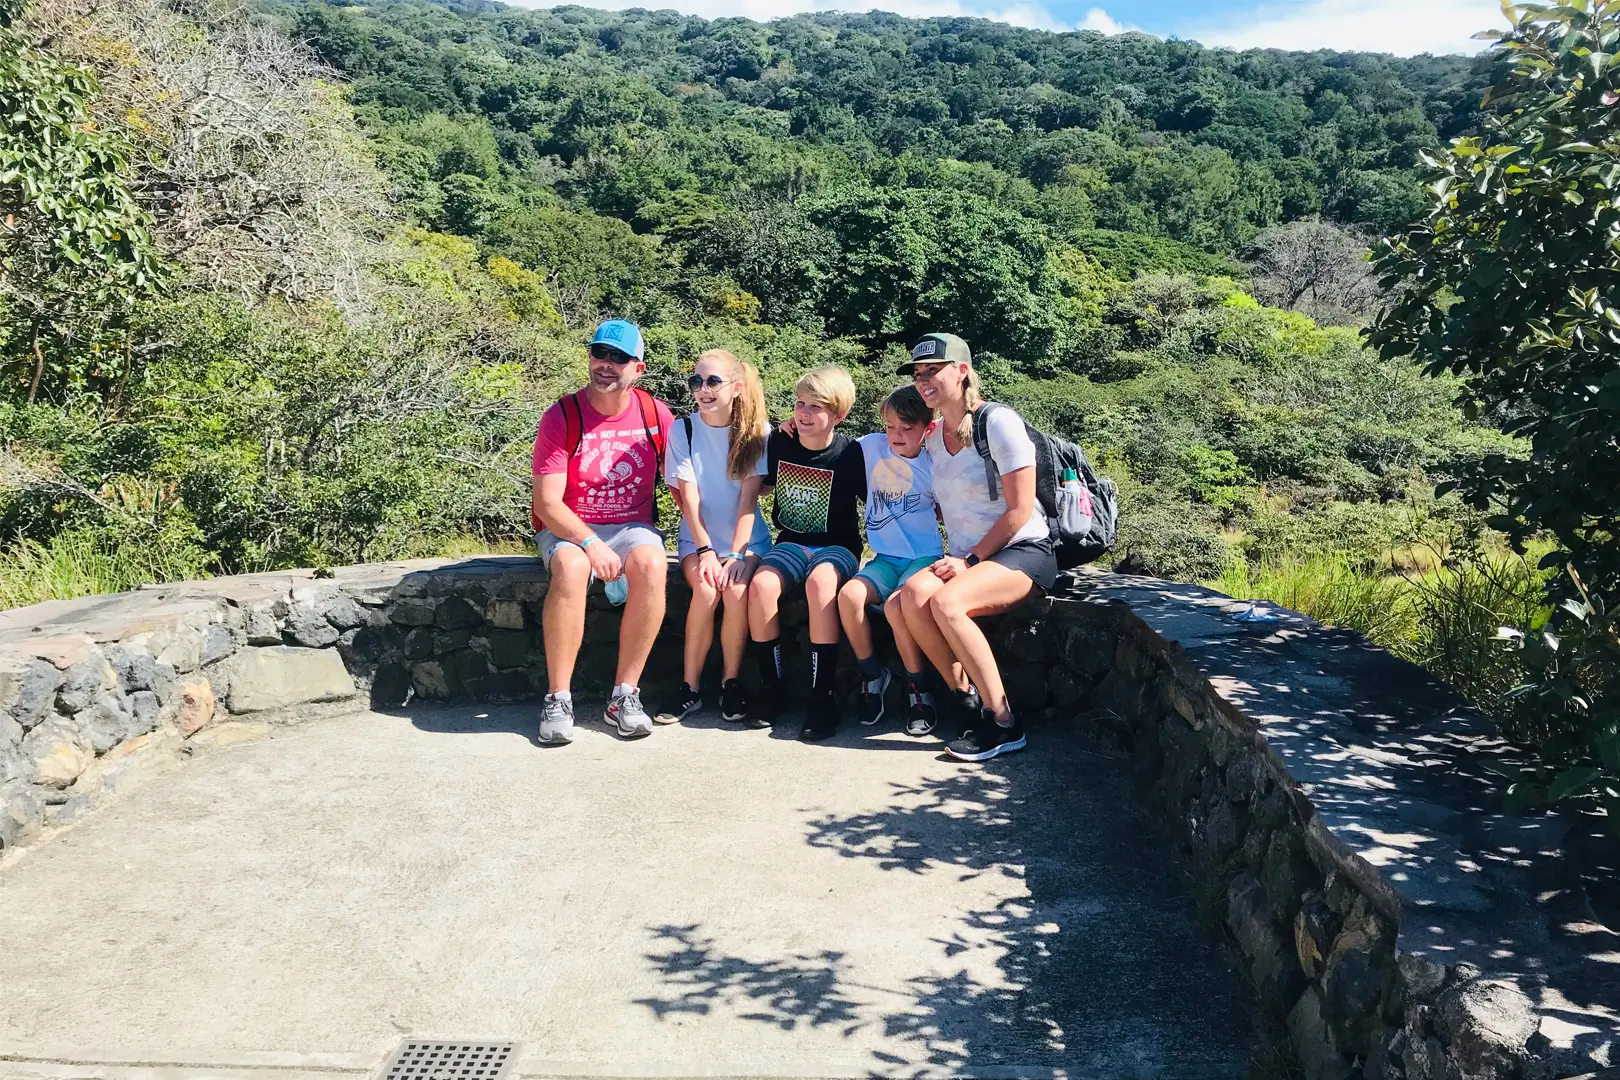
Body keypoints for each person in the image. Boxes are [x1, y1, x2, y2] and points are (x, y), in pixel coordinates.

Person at [894, 333, 1056, 762]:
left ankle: (1003, 721)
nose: (923, 380)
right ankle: (965, 701)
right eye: (917, 374)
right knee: (909, 597)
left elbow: (1020, 511)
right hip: (973, 557)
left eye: (933, 371)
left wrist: (968, 561)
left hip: (1023, 552)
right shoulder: (933, 437)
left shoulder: (997, 422)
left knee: (947, 603)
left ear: (962, 371)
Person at [530, 319, 675, 746]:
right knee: (572, 569)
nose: (606, 364)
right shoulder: (563, 415)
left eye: (619, 357)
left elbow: (685, 479)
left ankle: (624, 696)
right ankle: (558, 698)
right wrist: (590, 543)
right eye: (600, 353)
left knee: (651, 563)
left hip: (631, 526)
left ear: (638, 368)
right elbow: (547, 503)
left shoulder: (653, 414)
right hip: (569, 527)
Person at [747, 366, 866, 741]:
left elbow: (879, 499)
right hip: (791, 542)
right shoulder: (779, 443)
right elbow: (761, 486)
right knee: (762, 586)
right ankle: (772, 687)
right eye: (800, 403)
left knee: (820, 584)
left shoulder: (852, 453)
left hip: (838, 545)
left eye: (817, 407)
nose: (804, 413)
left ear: (839, 415)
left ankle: (822, 697)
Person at [655, 349, 772, 726]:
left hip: (747, 540)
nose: (703, 390)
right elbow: (687, 499)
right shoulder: (683, 429)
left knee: (736, 592)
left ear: (736, 388)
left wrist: (737, 555)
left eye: (713, 382)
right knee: (705, 591)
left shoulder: (757, 433)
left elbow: (748, 501)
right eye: (697, 382)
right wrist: (706, 549)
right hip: (697, 537)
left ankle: (730, 682)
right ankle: (689, 688)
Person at [835, 385, 944, 731]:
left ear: (927, 429)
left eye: (906, 428)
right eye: (890, 425)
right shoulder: (870, 447)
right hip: (885, 557)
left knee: (898, 606)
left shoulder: (934, 466)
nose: (896, 435)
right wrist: (792, 425)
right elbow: (826, 442)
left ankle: (918, 688)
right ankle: (872, 676)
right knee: (849, 596)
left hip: (923, 558)